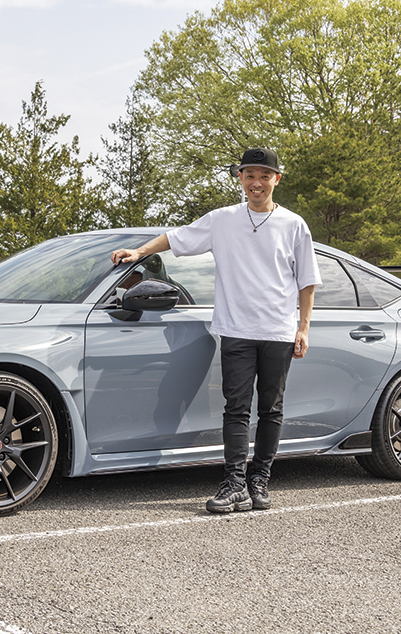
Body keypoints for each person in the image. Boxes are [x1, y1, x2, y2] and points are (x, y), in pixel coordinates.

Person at [110, 147, 322, 513]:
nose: (257, 183)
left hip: (278, 331)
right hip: (236, 329)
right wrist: (139, 252)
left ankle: (260, 480)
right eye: (250, 175)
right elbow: (177, 237)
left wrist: (303, 328)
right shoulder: (222, 219)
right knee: (236, 408)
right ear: (240, 178)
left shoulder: (293, 225)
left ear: (276, 179)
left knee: (271, 409)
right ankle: (234, 483)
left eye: (264, 176)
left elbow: (307, 281)